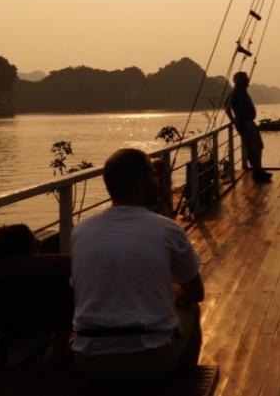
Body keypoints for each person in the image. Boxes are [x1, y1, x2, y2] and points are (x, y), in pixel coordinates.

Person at [70, 148, 204, 384]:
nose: (158, 181)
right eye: (153, 175)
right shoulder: (168, 230)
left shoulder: (81, 230)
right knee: (191, 309)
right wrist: (172, 291)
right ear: (140, 184)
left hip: (88, 360)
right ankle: (186, 385)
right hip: (151, 359)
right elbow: (195, 293)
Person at [225, 71, 272, 182]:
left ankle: (259, 169)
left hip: (249, 122)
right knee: (253, 147)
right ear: (241, 81)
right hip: (244, 122)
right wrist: (232, 119)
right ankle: (257, 171)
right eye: (246, 79)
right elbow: (226, 104)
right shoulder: (236, 92)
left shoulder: (243, 91)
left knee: (259, 146)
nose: (248, 80)